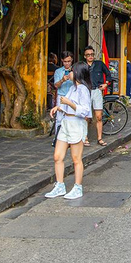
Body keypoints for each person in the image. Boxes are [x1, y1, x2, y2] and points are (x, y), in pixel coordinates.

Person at [46, 61, 93, 200]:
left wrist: (68, 103)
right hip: (65, 123)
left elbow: (85, 111)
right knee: (57, 156)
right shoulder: (73, 88)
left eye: (72, 71)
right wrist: (59, 107)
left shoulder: (83, 89)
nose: (69, 73)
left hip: (76, 124)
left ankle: (78, 187)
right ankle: (60, 185)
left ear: (77, 73)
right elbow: (66, 103)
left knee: (76, 158)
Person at [84, 45, 111, 147]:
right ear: (85, 56)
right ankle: (85, 137)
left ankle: (99, 138)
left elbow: (108, 74)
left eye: (92, 54)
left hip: (97, 91)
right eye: (88, 55)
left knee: (99, 116)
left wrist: (106, 83)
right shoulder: (83, 66)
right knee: (86, 116)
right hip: (86, 91)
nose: (90, 56)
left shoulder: (99, 64)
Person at [51, 51, 74, 143]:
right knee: (59, 118)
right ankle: (58, 139)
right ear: (62, 61)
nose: (67, 63)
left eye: (69, 61)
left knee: (72, 117)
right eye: (65, 61)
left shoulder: (75, 70)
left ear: (72, 60)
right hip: (62, 96)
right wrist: (62, 80)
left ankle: (71, 138)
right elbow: (56, 85)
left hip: (73, 96)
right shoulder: (58, 71)